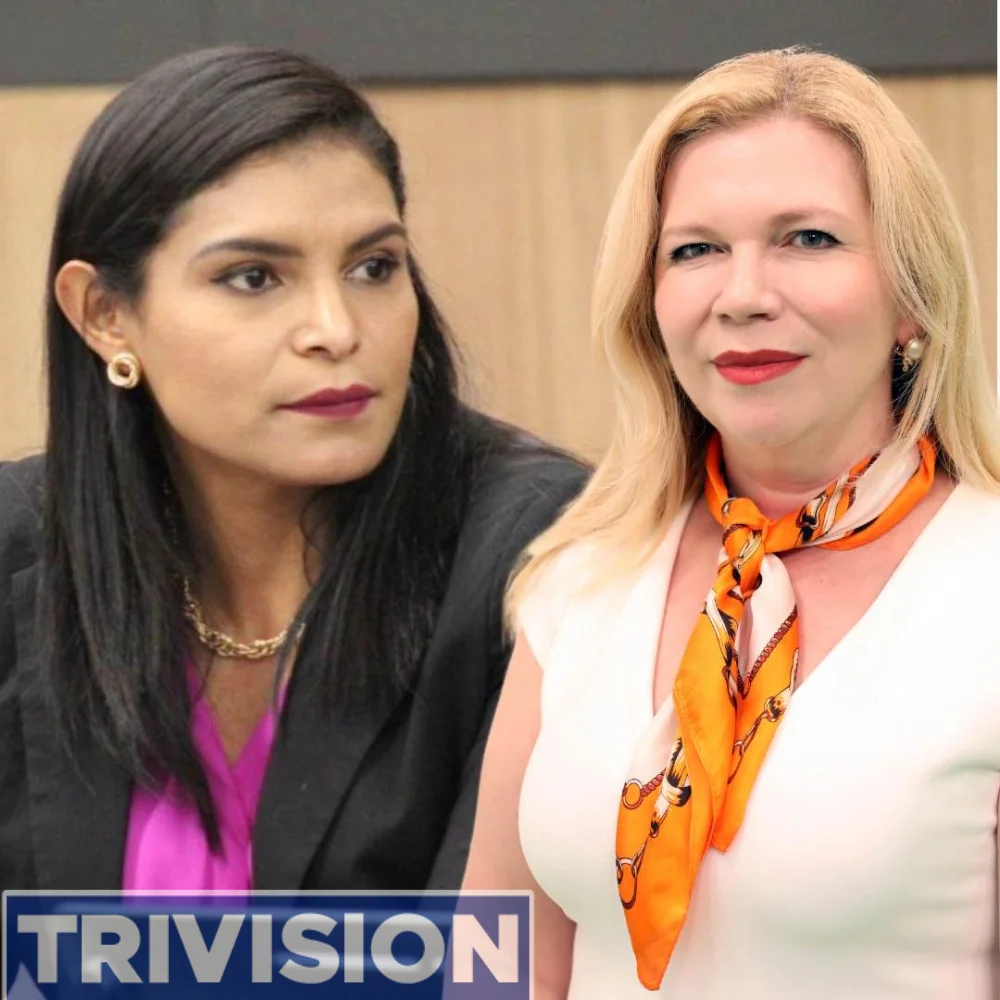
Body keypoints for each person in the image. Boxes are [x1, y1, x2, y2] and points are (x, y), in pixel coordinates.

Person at [463, 46, 1000, 998]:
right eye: (696, 250)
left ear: (913, 300)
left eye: (809, 239)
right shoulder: (576, 582)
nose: (743, 295)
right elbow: (497, 966)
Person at [0, 45, 587, 894]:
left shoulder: (539, 558)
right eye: (253, 278)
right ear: (105, 316)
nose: (336, 329)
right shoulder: (17, 546)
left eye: (373, 268)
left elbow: (494, 956)